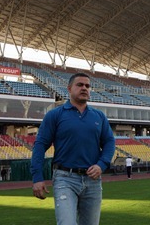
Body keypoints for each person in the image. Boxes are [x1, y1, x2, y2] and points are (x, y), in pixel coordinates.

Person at [31, 72, 115, 225]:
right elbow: (40, 145)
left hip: (93, 180)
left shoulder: (99, 117)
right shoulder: (55, 115)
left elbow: (109, 142)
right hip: (65, 178)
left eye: (87, 86)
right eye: (80, 85)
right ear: (69, 89)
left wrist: (101, 165)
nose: (84, 88)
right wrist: (37, 177)